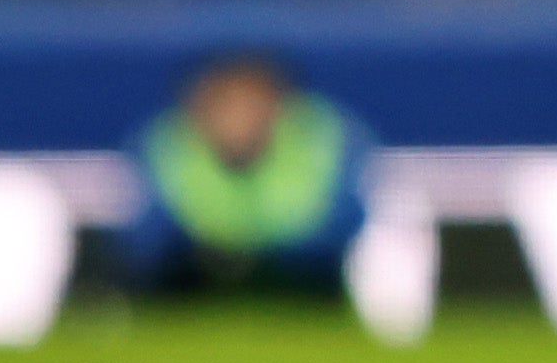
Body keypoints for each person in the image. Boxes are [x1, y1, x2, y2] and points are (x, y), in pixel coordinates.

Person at [119, 54, 371, 296]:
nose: (240, 115)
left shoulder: (323, 143)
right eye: (227, 102)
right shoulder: (167, 146)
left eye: (253, 98)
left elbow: (340, 232)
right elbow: (150, 243)